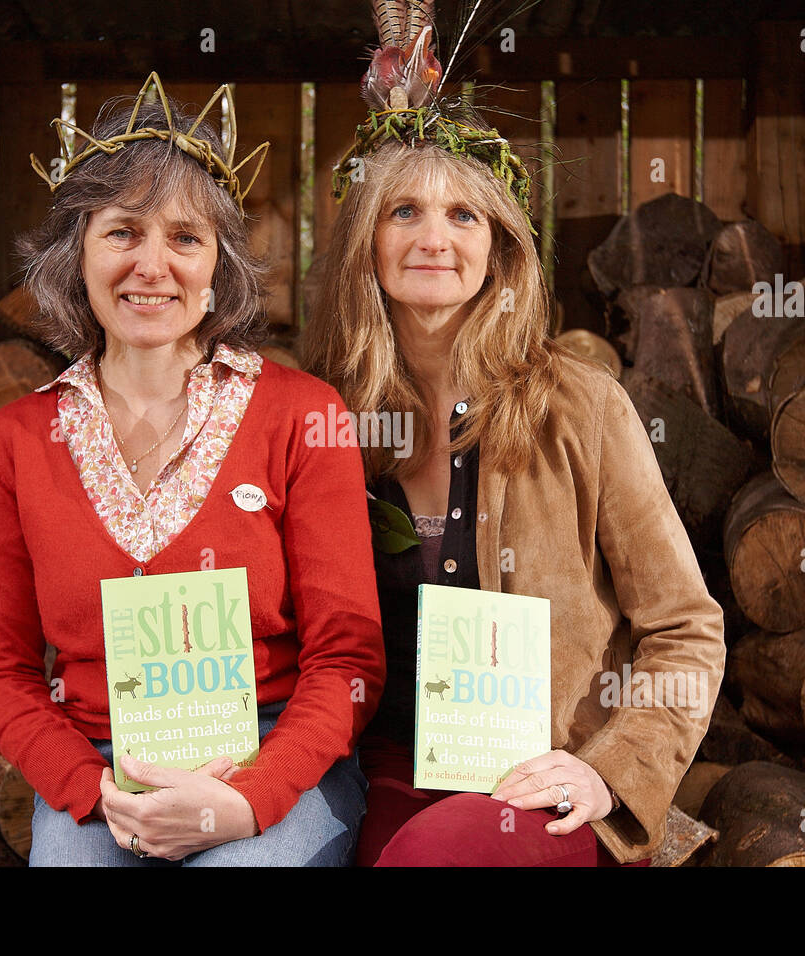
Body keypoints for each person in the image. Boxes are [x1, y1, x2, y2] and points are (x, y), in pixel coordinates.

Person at [0, 76, 385, 867]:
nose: (152, 265)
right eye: (122, 232)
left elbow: (347, 656)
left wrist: (251, 798)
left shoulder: (301, 415)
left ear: (218, 263)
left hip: (271, 755)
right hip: (100, 758)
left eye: (185, 238)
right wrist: (89, 787)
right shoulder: (16, 440)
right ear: (75, 253)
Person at [300, 101, 727, 866]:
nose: (435, 238)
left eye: (464, 215)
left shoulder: (581, 405)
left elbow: (686, 630)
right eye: (405, 210)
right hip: (387, 769)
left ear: (499, 249)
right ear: (367, 240)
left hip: (540, 778)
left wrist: (610, 771)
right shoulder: (327, 415)